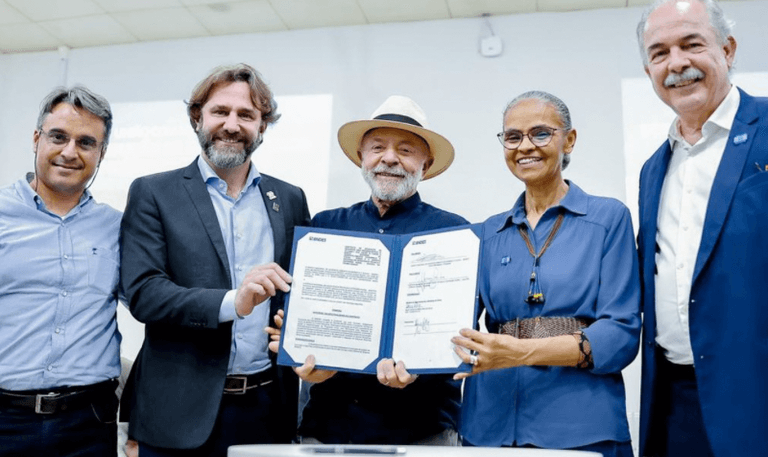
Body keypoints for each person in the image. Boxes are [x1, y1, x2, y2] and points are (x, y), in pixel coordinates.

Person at [119, 63, 311, 456]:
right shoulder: (154, 192)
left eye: (247, 115)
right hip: (177, 413)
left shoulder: (289, 198)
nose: (232, 125)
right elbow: (144, 294)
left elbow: (301, 293)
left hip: (266, 410)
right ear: (197, 118)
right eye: (220, 111)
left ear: (262, 126)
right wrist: (232, 302)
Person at [269, 95, 467, 445]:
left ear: (426, 164)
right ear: (361, 157)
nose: (389, 158)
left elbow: (458, 333)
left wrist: (420, 371)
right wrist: (302, 354)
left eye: (405, 150)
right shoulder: (324, 228)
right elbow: (299, 319)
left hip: (423, 431)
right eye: (377, 147)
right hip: (329, 428)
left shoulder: (454, 234)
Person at [452, 91, 640, 457]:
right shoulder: (486, 233)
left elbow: (621, 332)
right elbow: (450, 326)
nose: (525, 146)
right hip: (487, 425)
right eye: (513, 137)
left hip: (580, 424)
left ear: (569, 140)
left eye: (540, 133)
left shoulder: (608, 219)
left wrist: (521, 352)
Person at [635, 1, 768, 456]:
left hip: (757, 395)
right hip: (675, 402)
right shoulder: (653, 169)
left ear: (727, 50)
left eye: (691, 45)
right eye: (659, 53)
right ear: (649, 70)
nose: (676, 63)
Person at [0, 86, 121, 456]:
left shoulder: (118, 227)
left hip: (89, 423)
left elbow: (155, 302)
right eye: (58, 137)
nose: (70, 152)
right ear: (37, 139)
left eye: (86, 142)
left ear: (101, 154)